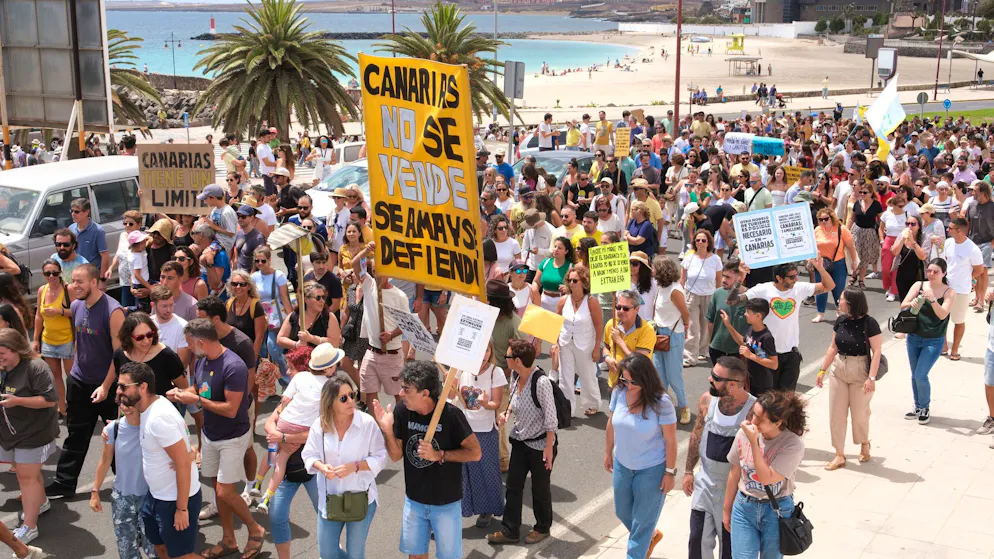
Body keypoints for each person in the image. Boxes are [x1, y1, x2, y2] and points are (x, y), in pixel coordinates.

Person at [167, 319, 266, 559]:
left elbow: (232, 409)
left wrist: (197, 402)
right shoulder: (202, 360)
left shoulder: (234, 366)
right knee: (216, 488)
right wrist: (181, 393)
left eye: (190, 343)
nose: (188, 347)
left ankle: (255, 529)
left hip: (233, 436)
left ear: (201, 341)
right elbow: (200, 389)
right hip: (210, 435)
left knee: (224, 493)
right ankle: (229, 540)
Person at [371, 360, 481, 559]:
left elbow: (475, 452)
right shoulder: (402, 411)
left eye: (406, 389)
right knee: (415, 556)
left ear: (425, 394)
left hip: (446, 503)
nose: (401, 393)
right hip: (414, 501)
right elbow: (396, 455)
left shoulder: (451, 416)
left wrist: (440, 455)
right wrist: (387, 429)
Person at [47, 264, 124, 500]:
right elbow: (80, 341)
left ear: (93, 282)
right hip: (79, 382)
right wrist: (74, 373)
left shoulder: (113, 311)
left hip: (106, 386)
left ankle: (123, 485)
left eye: (79, 281)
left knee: (116, 438)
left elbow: (119, 355)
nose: (74, 286)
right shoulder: (76, 305)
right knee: (75, 435)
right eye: (73, 281)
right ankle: (64, 483)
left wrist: (106, 386)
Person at [119, 362, 202, 559]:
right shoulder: (148, 408)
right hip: (156, 497)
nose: (119, 391)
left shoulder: (159, 418)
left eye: (123, 386)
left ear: (143, 387)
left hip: (175, 501)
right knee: (161, 549)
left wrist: (181, 509)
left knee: (182, 556)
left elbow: (182, 463)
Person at [302, 368, 386, 559]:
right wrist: (321, 467)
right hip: (330, 499)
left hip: (361, 497)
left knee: (355, 554)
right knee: (327, 553)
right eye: (343, 398)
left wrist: (355, 466)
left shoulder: (366, 423)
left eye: (352, 395)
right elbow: (309, 455)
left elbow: (380, 457)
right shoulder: (320, 425)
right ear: (330, 402)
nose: (350, 401)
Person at [604, 353, 677, 559]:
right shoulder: (619, 392)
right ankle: (650, 537)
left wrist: (670, 472)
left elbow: (670, 440)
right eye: (624, 379)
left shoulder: (662, 403)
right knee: (623, 512)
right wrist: (607, 451)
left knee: (642, 523)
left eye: (633, 381)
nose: (628, 384)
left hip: (652, 470)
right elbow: (611, 423)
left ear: (646, 378)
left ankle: (637, 552)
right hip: (622, 464)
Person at [254, 344, 342, 512]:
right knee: (282, 459)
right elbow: (324, 429)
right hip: (303, 439)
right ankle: (266, 498)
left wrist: (279, 430)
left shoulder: (300, 377)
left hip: (284, 422)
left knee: (273, 452)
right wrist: (283, 437)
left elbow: (284, 402)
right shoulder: (331, 388)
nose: (288, 372)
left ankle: (257, 484)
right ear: (330, 368)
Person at [488, 340, 558, 545]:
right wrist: (505, 414)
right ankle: (510, 530)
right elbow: (513, 404)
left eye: (508, 357)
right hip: (520, 441)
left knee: (540, 489)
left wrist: (548, 448)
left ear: (517, 360)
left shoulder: (541, 382)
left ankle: (542, 527)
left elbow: (551, 419)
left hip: (540, 445)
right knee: (513, 486)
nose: (505, 359)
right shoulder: (515, 376)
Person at [684, 357, 755, 559]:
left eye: (716, 377)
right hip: (704, 486)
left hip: (733, 493)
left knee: (729, 549)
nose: (709, 378)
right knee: (697, 544)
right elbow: (696, 434)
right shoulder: (707, 401)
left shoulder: (754, 411)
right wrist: (689, 471)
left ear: (732, 384)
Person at [723, 391, 807, 559]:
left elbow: (767, 478)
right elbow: (734, 472)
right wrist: (726, 509)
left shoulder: (792, 444)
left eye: (760, 419)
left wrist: (754, 443)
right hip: (744, 506)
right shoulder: (743, 435)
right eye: (754, 414)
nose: (754, 421)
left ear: (778, 423)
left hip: (776, 511)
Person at [0, 329, 58, 545]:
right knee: (28, 475)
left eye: (2, 353)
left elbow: (50, 400)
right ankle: (41, 502)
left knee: (26, 477)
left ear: (16, 350)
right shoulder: (3, 367)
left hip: (35, 432)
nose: (0, 357)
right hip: (10, 431)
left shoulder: (36, 367)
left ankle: (29, 527)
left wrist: (18, 401)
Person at [815, 288, 881, 470]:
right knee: (836, 415)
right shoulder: (841, 320)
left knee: (860, 414)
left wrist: (871, 378)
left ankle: (864, 443)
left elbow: (876, 353)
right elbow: (832, 347)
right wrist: (822, 370)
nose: (838, 301)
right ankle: (839, 454)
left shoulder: (870, 323)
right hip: (839, 369)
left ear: (851, 303)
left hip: (860, 371)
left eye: (841, 299)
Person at [744, 260, 835, 391]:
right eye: (791, 277)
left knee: (786, 402)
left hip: (790, 355)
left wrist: (819, 268)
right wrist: (740, 278)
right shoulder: (763, 289)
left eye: (796, 275)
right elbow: (733, 300)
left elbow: (829, 286)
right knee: (767, 399)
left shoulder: (799, 288)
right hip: (766, 355)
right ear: (779, 278)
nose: (796, 279)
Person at [90, 396, 158, 559]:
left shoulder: (152, 426)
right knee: (126, 549)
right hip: (122, 499)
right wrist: (95, 491)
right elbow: (105, 460)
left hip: (150, 498)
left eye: (130, 403)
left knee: (155, 549)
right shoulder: (113, 428)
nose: (126, 407)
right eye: (122, 403)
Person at [453, 342, 506, 528]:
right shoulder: (460, 370)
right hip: (463, 429)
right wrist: (450, 380)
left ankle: (487, 510)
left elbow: (496, 403)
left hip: (485, 430)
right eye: (481, 350)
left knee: (487, 471)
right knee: (463, 473)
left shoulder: (495, 372)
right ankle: (455, 514)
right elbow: (451, 392)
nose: (484, 354)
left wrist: (485, 403)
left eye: (487, 350)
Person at [351, 243, 409, 406]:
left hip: (391, 354)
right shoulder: (369, 285)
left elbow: (407, 325)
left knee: (399, 395)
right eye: (374, 271)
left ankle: (399, 427)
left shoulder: (400, 296)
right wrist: (366, 250)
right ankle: (376, 427)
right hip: (371, 352)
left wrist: (391, 334)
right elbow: (355, 263)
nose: (376, 275)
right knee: (370, 394)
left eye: (380, 272)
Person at [901, 259, 955, 425]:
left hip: (934, 340)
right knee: (914, 374)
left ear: (944, 274)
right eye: (929, 270)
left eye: (936, 271)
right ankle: (917, 406)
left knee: (920, 375)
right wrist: (913, 303)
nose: (931, 274)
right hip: (914, 337)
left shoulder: (949, 292)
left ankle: (924, 407)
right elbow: (903, 305)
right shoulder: (919, 285)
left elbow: (942, 314)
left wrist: (932, 300)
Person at [555, 267, 603, 418]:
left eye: (575, 280)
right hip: (565, 342)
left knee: (587, 375)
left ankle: (591, 403)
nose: (571, 283)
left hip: (585, 343)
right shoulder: (563, 301)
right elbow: (556, 323)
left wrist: (597, 348)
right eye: (569, 280)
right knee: (565, 377)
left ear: (584, 282)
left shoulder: (591, 302)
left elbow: (598, 326)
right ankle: (567, 408)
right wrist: (555, 343)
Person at [111, 312, 188, 401]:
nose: (146, 341)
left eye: (149, 335)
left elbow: (184, 388)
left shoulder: (166, 355)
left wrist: (176, 395)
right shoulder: (120, 354)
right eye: (139, 338)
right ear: (129, 337)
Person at [32, 258, 73, 418]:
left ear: (60, 272)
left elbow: (77, 310)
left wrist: (59, 312)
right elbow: (38, 316)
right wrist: (35, 339)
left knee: (72, 378)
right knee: (55, 377)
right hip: (48, 340)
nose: (51, 276)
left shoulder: (67, 289)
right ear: (43, 274)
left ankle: (76, 407)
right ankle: (61, 408)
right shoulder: (42, 290)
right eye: (47, 273)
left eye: (54, 273)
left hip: (67, 339)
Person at [944, 218, 983, 360]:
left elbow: (979, 269)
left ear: (959, 231)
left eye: (950, 228)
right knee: (942, 319)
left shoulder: (972, 248)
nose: (948, 230)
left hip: (961, 290)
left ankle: (954, 350)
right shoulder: (948, 243)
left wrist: (968, 278)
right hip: (945, 288)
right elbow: (947, 260)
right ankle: (943, 347)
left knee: (958, 321)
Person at [682, 229, 722, 367]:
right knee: (693, 326)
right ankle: (689, 356)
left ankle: (702, 350)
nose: (700, 243)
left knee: (706, 326)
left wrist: (719, 297)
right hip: (691, 295)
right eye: (698, 240)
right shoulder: (689, 258)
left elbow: (719, 281)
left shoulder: (715, 259)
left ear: (708, 242)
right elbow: (682, 279)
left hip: (709, 295)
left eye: (703, 240)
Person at [721, 298, 778, 397]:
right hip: (750, 380)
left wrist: (750, 355)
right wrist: (728, 325)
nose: (745, 314)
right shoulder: (751, 329)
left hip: (762, 385)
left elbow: (774, 364)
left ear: (758, 316)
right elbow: (743, 342)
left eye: (748, 312)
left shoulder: (766, 337)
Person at [603, 289, 656, 388]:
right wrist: (607, 359)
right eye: (618, 307)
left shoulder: (646, 330)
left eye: (626, 308)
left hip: (635, 385)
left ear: (637, 309)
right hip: (614, 383)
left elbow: (639, 361)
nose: (621, 311)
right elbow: (606, 347)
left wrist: (619, 341)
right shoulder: (611, 324)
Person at [253, 246, 293, 376]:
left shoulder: (278, 275)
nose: (260, 264)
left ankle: (287, 377)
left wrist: (291, 318)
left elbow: (284, 298)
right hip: (259, 317)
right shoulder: (254, 277)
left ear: (269, 260)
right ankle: (269, 384)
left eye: (263, 261)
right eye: (257, 261)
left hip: (275, 317)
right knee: (263, 351)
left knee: (274, 348)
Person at [812, 208, 856, 323]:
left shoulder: (841, 229)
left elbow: (850, 246)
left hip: (838, 263)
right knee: (821, 289)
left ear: (832, 218)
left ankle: (840, 312)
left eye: (826, 219)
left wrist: (854, 261)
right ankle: (820, 313)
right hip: (821, 265)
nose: (823, 222)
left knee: (838, 290)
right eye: (820, 219)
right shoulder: (817, 230)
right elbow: (812, 245)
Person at [846, 185, 883, 289]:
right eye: (861, 192)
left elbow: (881, 221)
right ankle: (854, 275)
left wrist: (882, 234)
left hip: (870, 232)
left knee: (865, 257)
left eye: (865, 192)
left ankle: (861, 279)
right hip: (857, 231)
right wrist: (846, 230)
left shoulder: (876, 205)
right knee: (856, 255)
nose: (862, 194)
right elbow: (851, 219)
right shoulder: (857, 203)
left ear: (871, 193)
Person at [107, 210, 143, 308]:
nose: (127, 225)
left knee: (136, 310)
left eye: (131, 224)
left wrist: (133, 283)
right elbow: (118, 254)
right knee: (125, 309)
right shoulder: (122, 235)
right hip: (124, 281)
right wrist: (111, 268)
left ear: (139, 224)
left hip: (136, 283)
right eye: (125, 223)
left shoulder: (141, 239)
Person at [891, 215, 929, 302]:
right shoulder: (902, 235)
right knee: (904, 302)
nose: (909, 226)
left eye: (913, 224)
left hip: (918, 275)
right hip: (902, 274)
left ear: (919, 226)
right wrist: (902, 239)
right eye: (907, 224)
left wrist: (913, 241)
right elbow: (895, 252)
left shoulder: (925, 238)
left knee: (916, 302)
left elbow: (923, 256)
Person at [69, 198, 109, 277]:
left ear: (87, 212)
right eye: (72, 211)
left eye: (77, 211)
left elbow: (105, 256)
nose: (73, 214)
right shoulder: (71, 228)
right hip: (76, 275)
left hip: (92, 276)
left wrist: (102, 279)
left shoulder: (98, 231)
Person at [534, 237, 573, 313]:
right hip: (543, 301)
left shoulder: (571, 267)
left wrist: (568, 288)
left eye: (559, 248)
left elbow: (578, 287)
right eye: (555, 246)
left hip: (562, 302)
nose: (555, 249)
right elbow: (536, 282)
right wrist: (535, 295)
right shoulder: (545, 262)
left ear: (566, 251)